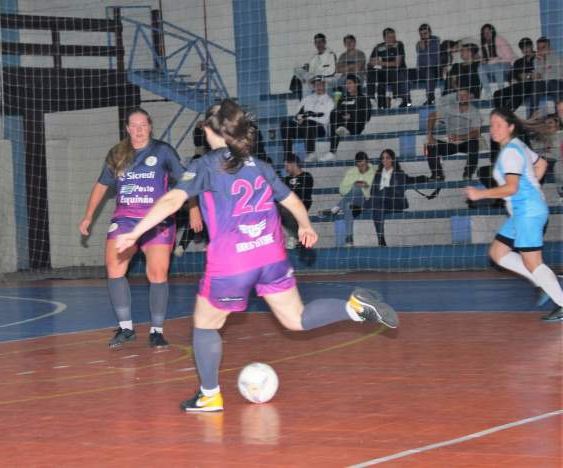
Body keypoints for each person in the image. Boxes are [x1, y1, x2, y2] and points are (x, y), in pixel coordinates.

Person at [115, 99, 398, 412]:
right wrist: (305, 226)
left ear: (213, 131)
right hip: (271, 255)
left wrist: (136, 231)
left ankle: (209, 395)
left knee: (205, 326)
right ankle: (354, 308)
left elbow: (171, 201)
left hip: (232, 262)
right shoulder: (259, 164)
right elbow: (292, 202)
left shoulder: (206, 164)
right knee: (296, 319)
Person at [79, 107, 201, 349]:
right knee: (114, 268)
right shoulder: (117, 154)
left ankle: (156, 331)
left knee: (157, 274)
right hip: (125, 220)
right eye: (133, 125)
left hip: (157, 220)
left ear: (150, 126)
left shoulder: (163, 151)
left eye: (142, 124)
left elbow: (186, 181)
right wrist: (88, 216)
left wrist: (194, 208)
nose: (138, 129)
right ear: (127, 128)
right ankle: (126, 328)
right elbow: (102, 186)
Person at [466, 108, 563, 321]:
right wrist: (532, 187)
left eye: (498, 125)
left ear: (510, 127)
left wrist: (480, 194)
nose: (493, 129)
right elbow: (542, 163)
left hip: (527, 212)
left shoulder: (510, 152)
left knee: (532, 262)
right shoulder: (518, 146)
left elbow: (511, 188)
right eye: (491, 125)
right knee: (498, 253)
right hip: (523, 212)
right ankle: (545, 281)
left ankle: (559, 299)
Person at [425, 87, 484, 180]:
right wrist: (429, 135)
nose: (462, 97)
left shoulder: (475, 112)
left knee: (474, 143)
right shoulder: (450, 108)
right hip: (450, 144)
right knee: (430, 145)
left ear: (469, 97)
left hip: (465, 143)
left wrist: (459, 137)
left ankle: (468, 174)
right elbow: (431, 116)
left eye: (464, 95)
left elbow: (476, 132)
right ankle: (437, 174)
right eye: (460, 95)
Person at [320, 151, 377, 246]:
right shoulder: (351, 171)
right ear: (356, 164)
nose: (361, 168)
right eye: (359, 166)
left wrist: (366, 186)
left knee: (357, 189)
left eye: (363, 165)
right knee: (347, 204)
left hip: (367, 201)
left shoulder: (375, 171)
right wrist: (353, 184)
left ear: (367, 162)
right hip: (353, 202)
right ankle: (349, 238)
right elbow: (341, 189)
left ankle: (335, 209)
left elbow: (377, 190)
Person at [280, 77, 335, 162]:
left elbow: (326, 120)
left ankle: (311, 153)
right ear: (313, 86)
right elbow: (297, 115)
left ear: (324, 85)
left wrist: (308, 118)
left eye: (320, 84)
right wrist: (300, 119)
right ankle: (288, 155)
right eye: (316, 85)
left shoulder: (329, 101)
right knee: (285, 124)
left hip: (319, 129)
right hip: (303, 127)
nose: (318, 87)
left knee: (308, 123)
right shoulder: (306, 99)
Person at [365, 149, 408, 247]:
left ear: (392, 159)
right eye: (383, 158)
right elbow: (372, 191)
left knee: (383, 192)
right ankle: (381, 240)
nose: (385, 160)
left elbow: (399, 191)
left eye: (387, 158)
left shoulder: (400, 173)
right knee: (378, 206)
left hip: (394, 202)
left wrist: (386, 191)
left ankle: (364, 206)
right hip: (380, 204)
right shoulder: (378, 174)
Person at [325, 74, 372, 161]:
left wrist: (351, 116)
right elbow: (338, 112)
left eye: (350, 83)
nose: (347, 86)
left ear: (356, 84)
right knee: (333, 113)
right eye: (346, 84)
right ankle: (332, 152)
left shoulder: (364, 98)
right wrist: (345, 116)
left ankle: (334, 148)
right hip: (341, 125)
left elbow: (366, 117)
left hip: (355, 126)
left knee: (339, 122)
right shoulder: (343, 98)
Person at [368, 27, 412, 108]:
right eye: (390, 37)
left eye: (393, 36)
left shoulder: (399, 45)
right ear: (384, 38)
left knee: (394, 70)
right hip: (384, 73)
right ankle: (371, 98)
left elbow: (397, 63)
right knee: (369, 69)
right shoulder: (379, 47)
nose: (392, 39)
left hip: (398, 72)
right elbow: (371, 62)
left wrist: (381, 63)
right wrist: (382, 64)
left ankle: (398, 99)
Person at [279, 153, 313, 249]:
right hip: (289, 207)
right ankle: (295, 236)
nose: (285, 168)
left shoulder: (306, 176)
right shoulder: (286, 179)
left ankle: (295, 236)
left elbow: (304, 194)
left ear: (294, 164)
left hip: (301, 206)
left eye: (287, 165)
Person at [291, 33, 337, 98]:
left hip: (327, 79)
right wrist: (307, 68)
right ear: (315, 44)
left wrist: (315, 77)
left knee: (309, 83)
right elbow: (312, 71)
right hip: (315, 79)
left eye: (321, 42)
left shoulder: (331, 54)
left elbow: (330, 72)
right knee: (297, 70)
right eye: (317, 42)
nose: (319, 44)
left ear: (325, 42)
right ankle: (307, 106)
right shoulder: (314, 56)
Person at [479, 24, 516, 98]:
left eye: (488, 32)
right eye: (484, 32)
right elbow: (482, 57)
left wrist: (495, 61)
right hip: (493, 66)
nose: (487, 34)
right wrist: (482, 60)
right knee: (480, 68)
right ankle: (488, 92)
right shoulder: (484, 44)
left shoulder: (499, 40)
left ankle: (501, 92)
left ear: (493, 32)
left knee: (496, 67)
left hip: (507, 65)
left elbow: (509, 58)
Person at [416, 24, 442, 106]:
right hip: (423, 69)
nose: (423, 36)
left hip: (435, 68)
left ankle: (430, 97)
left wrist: (424, 48)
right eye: (421, 34)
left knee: (429, 72)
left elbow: (432, 58)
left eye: (425, 33)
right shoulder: (418, 44)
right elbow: (422, 60)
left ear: (430, 32)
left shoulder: (436, 40)